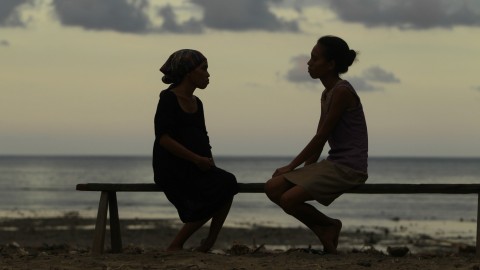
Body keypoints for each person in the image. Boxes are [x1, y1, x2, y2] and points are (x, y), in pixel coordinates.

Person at [264, 36, 368, 254]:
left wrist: (291, 167)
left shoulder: (341, 91)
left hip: (349, 167)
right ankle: (325, 228)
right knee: (272, 187)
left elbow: (321, 137)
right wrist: (307, 168)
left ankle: (330, 225)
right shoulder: (326, 93)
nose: (309, 63)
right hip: (332, 163)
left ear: (330, 64)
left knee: (289, 199)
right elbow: (319, 137)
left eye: (314, 59)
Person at [152, 49, 238, 252]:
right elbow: (163, 138)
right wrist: (196, 159)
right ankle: (176, 244)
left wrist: (210, 164)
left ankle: (209, 241)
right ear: (189, 72)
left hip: (195, 164)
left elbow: (203, 138)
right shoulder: (168, 99)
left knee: (227, 183)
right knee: (223, 186)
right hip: (172, 166)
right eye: (204, 69)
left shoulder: (197, 103)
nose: (208, 74)